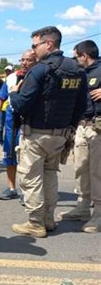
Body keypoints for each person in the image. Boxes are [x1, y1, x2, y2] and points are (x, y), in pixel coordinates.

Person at [10, 26, 87, 238]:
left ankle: (35, 222)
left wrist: (13, 94)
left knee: (31, 178)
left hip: (36, 134)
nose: (33, 50)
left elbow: (22, 104)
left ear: (49, 44)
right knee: (50, 175)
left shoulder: (40, 69)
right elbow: (82, 105)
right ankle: (48, 219)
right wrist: (69, 129)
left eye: (35, 45)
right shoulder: (77, 69)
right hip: (61, 135)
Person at [58, 40, 101, 233]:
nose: (75, 61)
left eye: (76, 57)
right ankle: (83, 207)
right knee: (81, 168)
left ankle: (99, 214)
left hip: (98, 127)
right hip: (82, 126)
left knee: (97, 172)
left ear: (84, 55)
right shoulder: (81, 74)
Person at [0, 50, 37, 200]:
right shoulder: (11, 78)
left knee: (28, 160)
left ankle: (27, 192)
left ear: (35, 61)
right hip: (12, 123)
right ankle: (12, 188)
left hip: (31, 123)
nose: (24, 63)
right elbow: (0, 97)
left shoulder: (39, 76)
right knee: (10, 158)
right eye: (22, 59)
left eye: (28, 60)